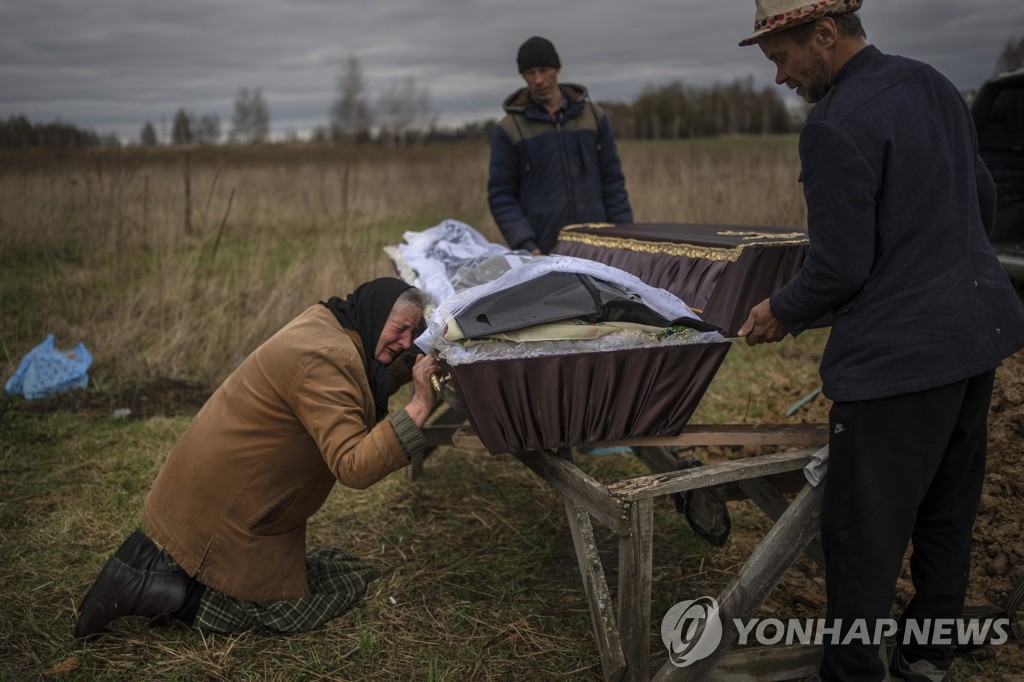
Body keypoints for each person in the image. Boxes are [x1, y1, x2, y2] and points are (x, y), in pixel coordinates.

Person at [735, 2, 1024, 680]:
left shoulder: (833, 126)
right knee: (946, 517)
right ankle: (926, 661)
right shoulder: (932, 84)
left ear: (826, 34)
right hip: (973, 345)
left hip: (898, 370)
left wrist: (780, 309)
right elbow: (979, 199)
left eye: (781, 58)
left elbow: (839, 267)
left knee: (863, 542)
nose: (779, 78)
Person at [74, 278, 440, 638]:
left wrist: (411, 362)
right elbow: (353, 467)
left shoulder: (327, 323)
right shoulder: (329, 358)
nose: (406, 341)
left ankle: (149, 565)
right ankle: (153, 590)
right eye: (401, 328)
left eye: (414, 333)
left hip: (206, 494)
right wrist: (419, 405)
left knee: (338, 571)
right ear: (377, 314)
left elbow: (360, 383)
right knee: (294, 606)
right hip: (228, 512)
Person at [487, 35, 633, 255]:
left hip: (600, 246)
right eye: (530, 72)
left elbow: (612, 181)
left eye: (544, 70)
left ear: (557, 69)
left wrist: (625, 237)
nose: (538, 80)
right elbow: (501, 195)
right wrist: (527, 245)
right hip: (545, 252)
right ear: (523, 77)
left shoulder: (593, 116)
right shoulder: (510, 129)